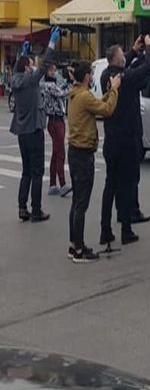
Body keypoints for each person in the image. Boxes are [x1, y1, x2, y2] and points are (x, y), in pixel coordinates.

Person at [100, 36, 150, 246]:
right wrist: (148, 47)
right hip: (126, 140)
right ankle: (126, 229)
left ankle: (105, 229)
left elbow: (125, 67)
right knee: (127, 184)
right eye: (123, 55)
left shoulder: (107, 75)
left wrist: (133, 51)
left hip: (111, 139)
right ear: (116, 59)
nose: (126, 57)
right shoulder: (125, 77)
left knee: (110, 185)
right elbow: (147, 66)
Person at [66, 62, 121, 262]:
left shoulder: (76, 94)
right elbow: (106, 110)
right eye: (91, 74)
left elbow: (97, 105)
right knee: (81, 204)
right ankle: (79, 250)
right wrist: (114, 90)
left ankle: (74, 245)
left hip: (74, 152)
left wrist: (108, 92)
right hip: (83, 154)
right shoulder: (84, 96)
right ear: (88, 76)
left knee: (76, 203)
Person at [10, 27, 60, 222]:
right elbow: (45, 63)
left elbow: (17, 68)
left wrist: (23, 54)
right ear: (28, 68)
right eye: (30, 63)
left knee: (26, 172)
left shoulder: (16, 80)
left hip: (22, 133)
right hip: (34, 130)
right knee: (37, 172)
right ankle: (36, 209)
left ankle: (22, 208)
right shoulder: (31, 80)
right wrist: (51, 42)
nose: (33, 65)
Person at [41, 62, 71, 197]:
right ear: (46, 72)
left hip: (55, 120)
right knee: (60, 153)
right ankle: (63, 183)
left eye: (55, 70)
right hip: (56, 120)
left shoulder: (50, 84)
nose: (55, 73)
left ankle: (53, 184)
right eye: (52, 71)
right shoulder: (49, 85)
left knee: (56, 152)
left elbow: (60, 89)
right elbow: (63, 94)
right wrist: (72, 82)